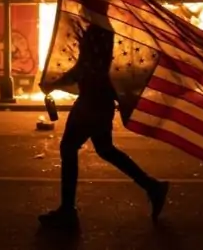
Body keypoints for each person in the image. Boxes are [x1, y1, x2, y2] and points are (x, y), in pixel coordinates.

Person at [39, 24, 169, 229]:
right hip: (100, 100)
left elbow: (85, 68)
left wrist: (54, 84)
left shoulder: (98, 30)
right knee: (105, 149)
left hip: (92, 101)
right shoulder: (101, 28)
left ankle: (67, 211)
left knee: (69, 148)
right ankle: (152, 186)